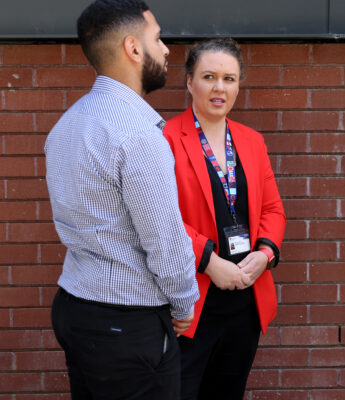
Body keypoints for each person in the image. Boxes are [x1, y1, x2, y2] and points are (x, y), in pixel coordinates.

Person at [44, 1, 199, 399]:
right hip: (127, 324)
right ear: (133, 48)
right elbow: (165, 243)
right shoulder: (138, 135)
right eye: (158, 38)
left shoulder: (67, 124)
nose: (166, 49)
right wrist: (183, 306)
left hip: (76, 310)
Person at [163, 38, 286, 400]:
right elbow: (161, 217)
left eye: (229, 79)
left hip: (245, 300)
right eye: (209, 76)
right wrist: (209, 261)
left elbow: (273, 209)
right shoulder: (165, 139)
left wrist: (264, 254)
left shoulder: (251, 141)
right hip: (191, 302)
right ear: (189, 82)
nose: (220, 88)